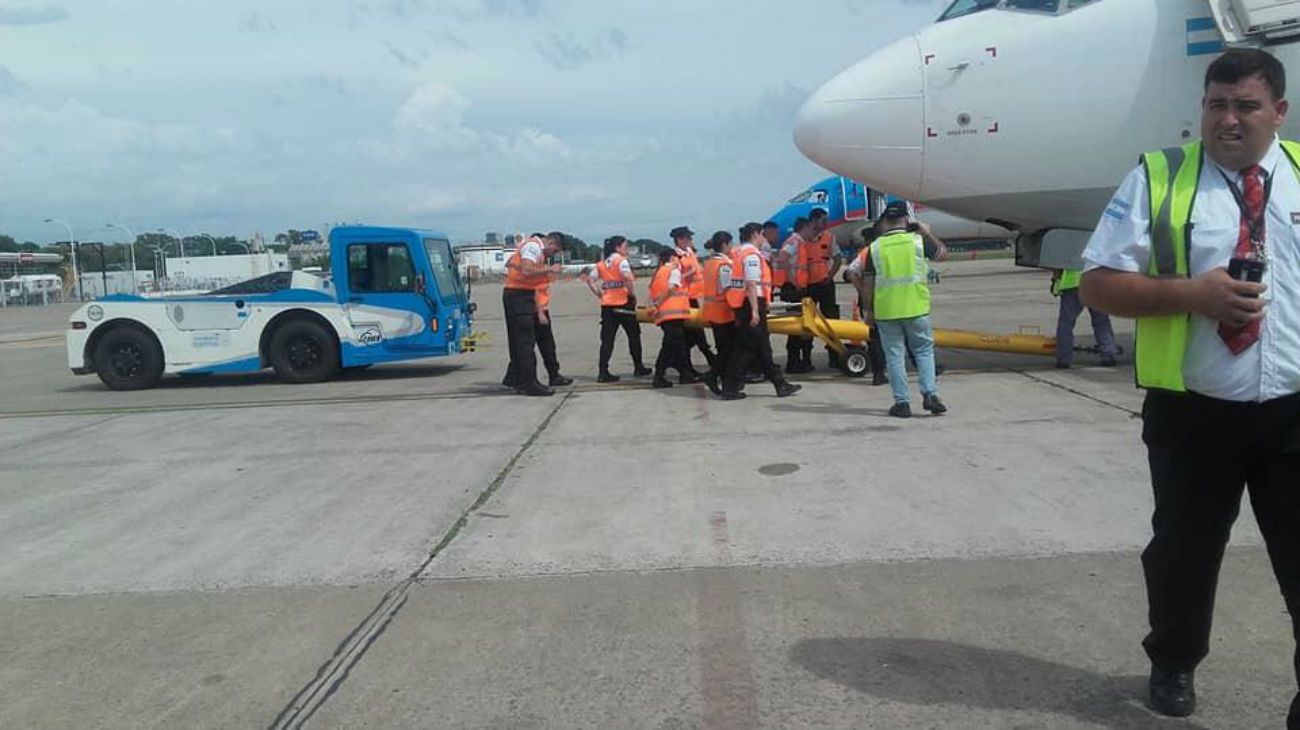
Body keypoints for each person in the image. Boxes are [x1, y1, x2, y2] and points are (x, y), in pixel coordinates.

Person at [1079, 49, 1300, 727]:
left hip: (1295, 414)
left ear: (1279, 112)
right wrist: (1192, 295)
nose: (1227, 120)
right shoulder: (1158, 178)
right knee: (1182, 556)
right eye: (1216, 105)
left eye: (1245, 106)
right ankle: (1173, 660)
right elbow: (1098, 283)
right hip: (1192, 414)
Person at [856, 202, 947, 417]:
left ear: (886, 221)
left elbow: (868, 283)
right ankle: (930, 394)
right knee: (924, 352)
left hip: (887, 311)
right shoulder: (917, 241)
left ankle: (902, 403)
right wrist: (925, 232)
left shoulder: (875, 248)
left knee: (895, 357)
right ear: (907, 220)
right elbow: (942, 254)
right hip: (916, 307)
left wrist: (869, 312)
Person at [720, 222, 801, 400]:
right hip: (751, 304)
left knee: (763, 348)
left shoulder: (739, 253)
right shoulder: (751, 256)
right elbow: (751, 284)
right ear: (756, 234)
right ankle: (729, 387)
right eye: (762, 235)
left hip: (745, 304)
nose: (763, 239)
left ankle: (780, 384)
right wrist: (756, 311)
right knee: (745, 349)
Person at [502, 231, 568, 396]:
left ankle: (517, 378)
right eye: (555, 251)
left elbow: (513, 265)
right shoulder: (533, 247)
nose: (554, 254)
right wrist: (549, 269)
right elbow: (526, 270)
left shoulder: (534, 251)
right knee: (525, 341)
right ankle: (528, 383)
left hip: (524, 295)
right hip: (518, 296)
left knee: (523, 340)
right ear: (552, 243)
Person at [582, 235, 650, 382]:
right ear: (617, 248)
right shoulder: (621, 261)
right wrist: (631, 293)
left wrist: (600, 294)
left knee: (607, 340)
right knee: (634, 335)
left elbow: (590, 280)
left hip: (607, 306)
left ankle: (603, 371)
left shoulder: (602, 264)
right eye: (625, 246)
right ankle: (639, 367)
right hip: (623, 303)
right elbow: (627, 277)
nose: (627, 249)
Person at [648, 248, 702, 388]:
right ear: (672, 258)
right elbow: (672, 288)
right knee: (670, 348)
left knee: (677, 347)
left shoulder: (660, 272)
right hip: (673, 314)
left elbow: (654, 291)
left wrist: (655, 305)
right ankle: (661, 377)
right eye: (677, 257)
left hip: (666, 315)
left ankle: (684, 374)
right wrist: (658, 304)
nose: (679, 260)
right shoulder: (674, 270)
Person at [670, 226, 718, 376]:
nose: (691, 240)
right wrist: (688, 274)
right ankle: (707, 363)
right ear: (679, 240)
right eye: (688, 238)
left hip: (694, 297)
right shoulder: (676, 256)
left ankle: (675, 361)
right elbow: (674, 277)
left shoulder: (689, 253)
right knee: (696, 334)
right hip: (685, 298)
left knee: (692, 336)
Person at [845, 226, 888, 386]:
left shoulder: (865, 253)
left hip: (869, 300)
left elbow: (850, 272)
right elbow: (850, 272)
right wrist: (863, 290)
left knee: (874, 337)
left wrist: (861, 290)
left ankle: (878, 372)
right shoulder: (877, 250)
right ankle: (881, 371)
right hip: (883, 299)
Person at [1051, 267, 1118, 369]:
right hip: (1096, 283)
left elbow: (1058, 264)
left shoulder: (1067, 250)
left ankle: (1063, 359)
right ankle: (1108, 354)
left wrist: (1056, 279)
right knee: (1101, 321)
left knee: (1066, 324)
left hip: (1072, 285)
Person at [805, 207, 845, 367]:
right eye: (823, 221)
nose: (826, 224)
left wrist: (830, 275)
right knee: (808, 322)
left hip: (825, 284)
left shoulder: (829, 238)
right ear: (813, 221)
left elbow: (837, 259)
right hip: (808, 286)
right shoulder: (803, 239)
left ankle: (834, 356)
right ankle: (805, 357)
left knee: (831, 320)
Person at [700, 231, 737, 396]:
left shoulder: (708, 263)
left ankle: (723, 378)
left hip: (711, 311)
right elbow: (728, 288)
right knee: (728, 351)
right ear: (724, 245)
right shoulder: (724, 265)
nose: (732, 247)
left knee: (724, 349)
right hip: (724, 312)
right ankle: (713, 375)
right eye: (730, 244)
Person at [782, 217, 815, 372]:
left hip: (798, 288)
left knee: (800, 326)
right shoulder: (794, 241)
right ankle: (793, 362)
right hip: (794, 290)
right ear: (805, 227)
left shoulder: (800, 242)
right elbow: (784, 257)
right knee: (795, 327)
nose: (812, 232)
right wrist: (793, 281)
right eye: (811, 229)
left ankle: (798, 360)